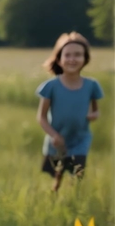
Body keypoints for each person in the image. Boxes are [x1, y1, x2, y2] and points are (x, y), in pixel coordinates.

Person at [36, 32, 103, 192]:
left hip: (80, 139)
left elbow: (96, 110)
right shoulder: (50, 87)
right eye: (67, 55)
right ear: (59, 59)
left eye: (78, 55)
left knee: (77, 173)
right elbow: (41, 117)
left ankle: (74, 199)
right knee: (56, 173)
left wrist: (94, 115)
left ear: (85, 59)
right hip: (57, 139)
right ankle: (54, 195)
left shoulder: (92, 85)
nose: (72, 59)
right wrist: (54, 135)